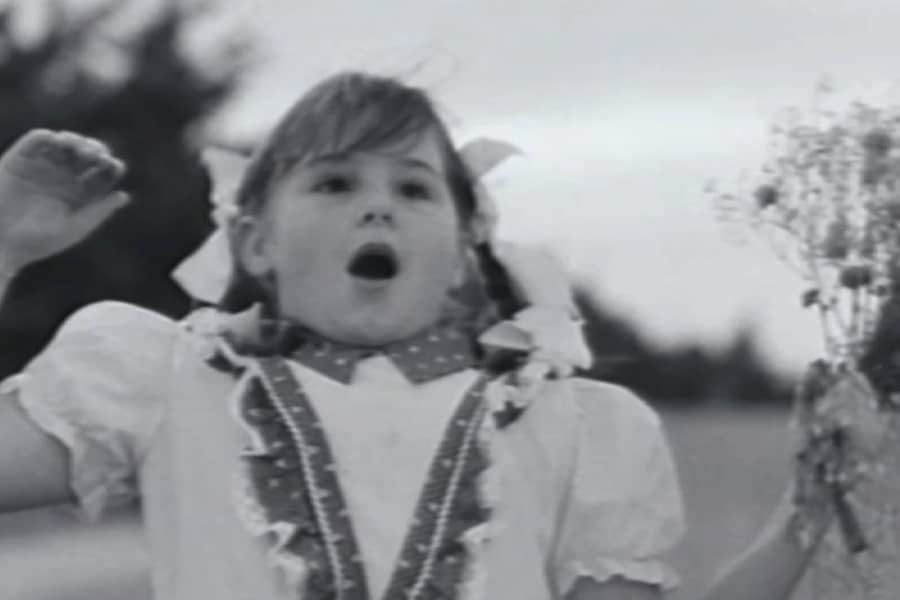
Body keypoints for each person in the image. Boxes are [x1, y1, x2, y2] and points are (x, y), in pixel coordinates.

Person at [0, 72, 864, 600]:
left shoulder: (578, 427)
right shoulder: (165, 378)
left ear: (459, 253)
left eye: (414, 190)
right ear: (255, 241)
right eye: (334, 183)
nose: (377, 203)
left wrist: (806, 514)